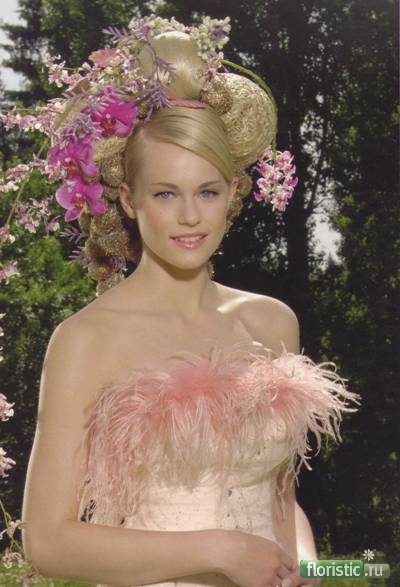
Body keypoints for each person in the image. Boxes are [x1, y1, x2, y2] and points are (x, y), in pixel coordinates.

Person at [18, 15, 360, 587]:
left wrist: (305, 564)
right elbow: (49, 542)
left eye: (207, 191)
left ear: (233, 193)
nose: (189, 216)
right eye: (164, 193)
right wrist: (219, 550)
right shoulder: (86, 339)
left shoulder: (270, 321)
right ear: (128, 200)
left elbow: (278, 502)